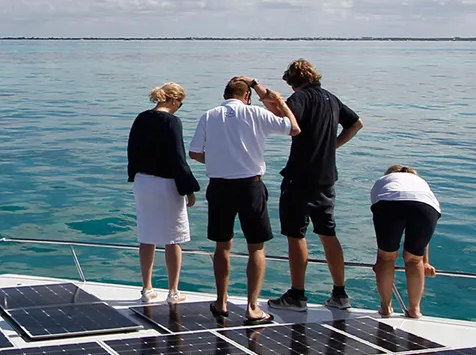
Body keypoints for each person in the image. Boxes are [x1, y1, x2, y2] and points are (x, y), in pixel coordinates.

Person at [188, 76, 302, 323]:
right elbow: (294, 128)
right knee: (256, 246)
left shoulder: (209, 115)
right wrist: (281, 103)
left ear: (225, 95)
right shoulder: (256, 114)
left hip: (219, 187)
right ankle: (252, 307)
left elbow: (195, 152)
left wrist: (218, 161)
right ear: (246, 96)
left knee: (222, 245)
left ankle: (222, 302)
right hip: (251, 186)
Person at [269, 59, 364, 313]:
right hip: (326, 176)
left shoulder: (300, 99)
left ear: (293, 82)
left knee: (295, 234)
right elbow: (356, 123)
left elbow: (286, 121)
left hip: (299, 175)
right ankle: (340, 293)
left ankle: (297, 294)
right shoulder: (331, 98)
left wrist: (273, 104)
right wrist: (332, 145)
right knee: (327, 232)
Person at [127, 82, 200, 303]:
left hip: (142, 182)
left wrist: (135, 175)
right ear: (173, 100)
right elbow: (178, 158)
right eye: (181, 103)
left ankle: (147, 289)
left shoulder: (141, 118)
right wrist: (189, 189)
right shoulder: (172, 122)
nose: (180, 107)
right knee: (173, 237)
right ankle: (173, 290)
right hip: (165, 184)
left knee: (147, 236)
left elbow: (131, 149)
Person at [370, 165, 442, 318]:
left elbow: (382, 230)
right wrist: (425, 261)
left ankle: (386, 307)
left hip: (389, 203)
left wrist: (381, 260)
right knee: (415, 261)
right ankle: (414, 310)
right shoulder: (420, 182)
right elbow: (424, 239)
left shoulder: (383, 181)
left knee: (386, 258)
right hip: (426, 206)